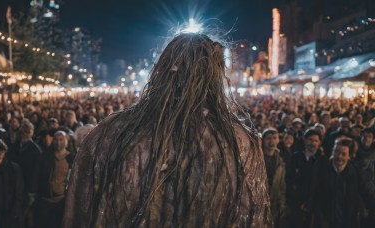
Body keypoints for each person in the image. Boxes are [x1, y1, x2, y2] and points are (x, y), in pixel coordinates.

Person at [64, 33, 272, 227]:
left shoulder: (111, 133)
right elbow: (253, 215)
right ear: (216, 77)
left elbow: (79, 209)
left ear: (161, 71)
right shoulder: (239, 141)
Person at [309, 139, 360, 227]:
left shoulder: (354, 173)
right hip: (323, 221)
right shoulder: (321, 168)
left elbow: (354, 202)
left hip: (345, 221)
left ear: (349, 156)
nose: (339, 156)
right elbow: (315, 195)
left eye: (343, 154)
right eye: (336, 152)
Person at [35, 131, 74, 228]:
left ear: (66, 141)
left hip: (60, 201)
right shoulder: (46, 155)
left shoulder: (70, 158)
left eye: (61, 139)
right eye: (56, 140)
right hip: (45, 199)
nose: (58, 142)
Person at [261, 128, 287, 227]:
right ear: (263, 140)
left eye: (274, 138)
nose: (271, 141)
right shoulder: (257, 159)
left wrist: (282, 203)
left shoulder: (280, 161)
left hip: (274, 203)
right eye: (268, 138)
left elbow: (281, 184)